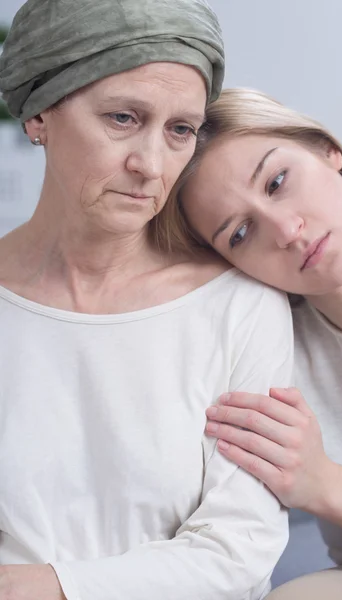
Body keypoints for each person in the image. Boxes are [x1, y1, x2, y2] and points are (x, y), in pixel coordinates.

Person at [0, 7, 294, 599]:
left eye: (179, 130)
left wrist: (41, 586)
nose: (150, 165)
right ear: (38, 115)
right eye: (121, 118)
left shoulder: (239, 307)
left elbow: (239, 551)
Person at [156, 88, 342, 598]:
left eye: (277, 181)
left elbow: (320, 484)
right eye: (240, 234)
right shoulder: (270, 351)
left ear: (326, 150)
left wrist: (326, 485)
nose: (287, 230)